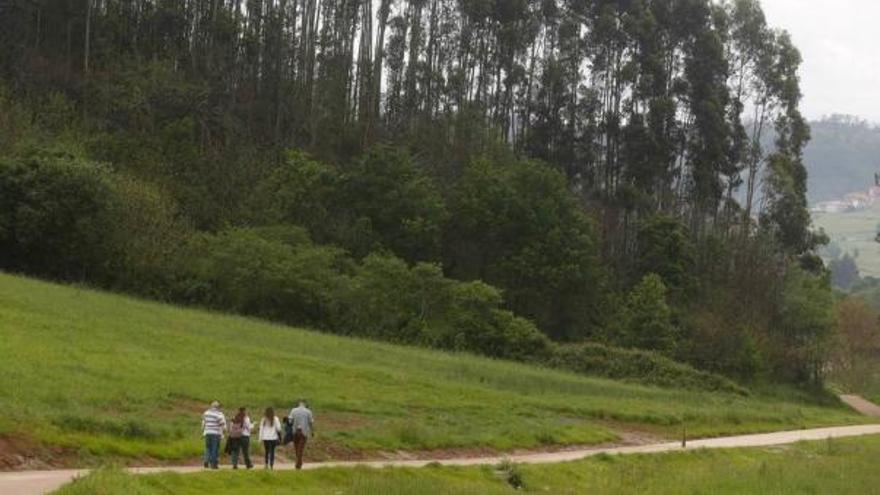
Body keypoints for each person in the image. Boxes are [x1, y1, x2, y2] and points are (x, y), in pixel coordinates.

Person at [288, 399, 315, 469]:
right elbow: (311, 423)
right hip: (304, 432)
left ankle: (298, 462)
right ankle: (298, 463)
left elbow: (290, 421)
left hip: (295, 431)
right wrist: (312, 431)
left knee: (296, 448)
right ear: (305, 404)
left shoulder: (293, 410)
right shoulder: (308, 411)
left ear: (298, 404)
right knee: (301, 448)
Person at [201, 400, 227, 469]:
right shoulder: (218, 414)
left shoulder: (206, 413)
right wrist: (224, 431)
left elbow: (204, 422)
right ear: (217, 407)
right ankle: (213, 464)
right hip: (215, 433)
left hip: (207, 432)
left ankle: (206, 461)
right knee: (214, 449)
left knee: (208, 447)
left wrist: (203, 430)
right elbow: (222, 424)